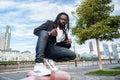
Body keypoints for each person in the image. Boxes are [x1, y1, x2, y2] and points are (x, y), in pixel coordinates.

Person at [33, 12, 76, 76]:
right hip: (44, 47)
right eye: (61, 19)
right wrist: (50, 33)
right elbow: (36, 31)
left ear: (67, 21)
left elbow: (64, 48)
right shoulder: (49, 23)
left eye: (65, 20)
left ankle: (51, 60)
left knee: (73, 55)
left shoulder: (64, 33)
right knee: (44, 33)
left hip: (53, 50)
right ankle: (38, 63)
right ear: (58, 18)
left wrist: (68, 44)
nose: (63, 21)